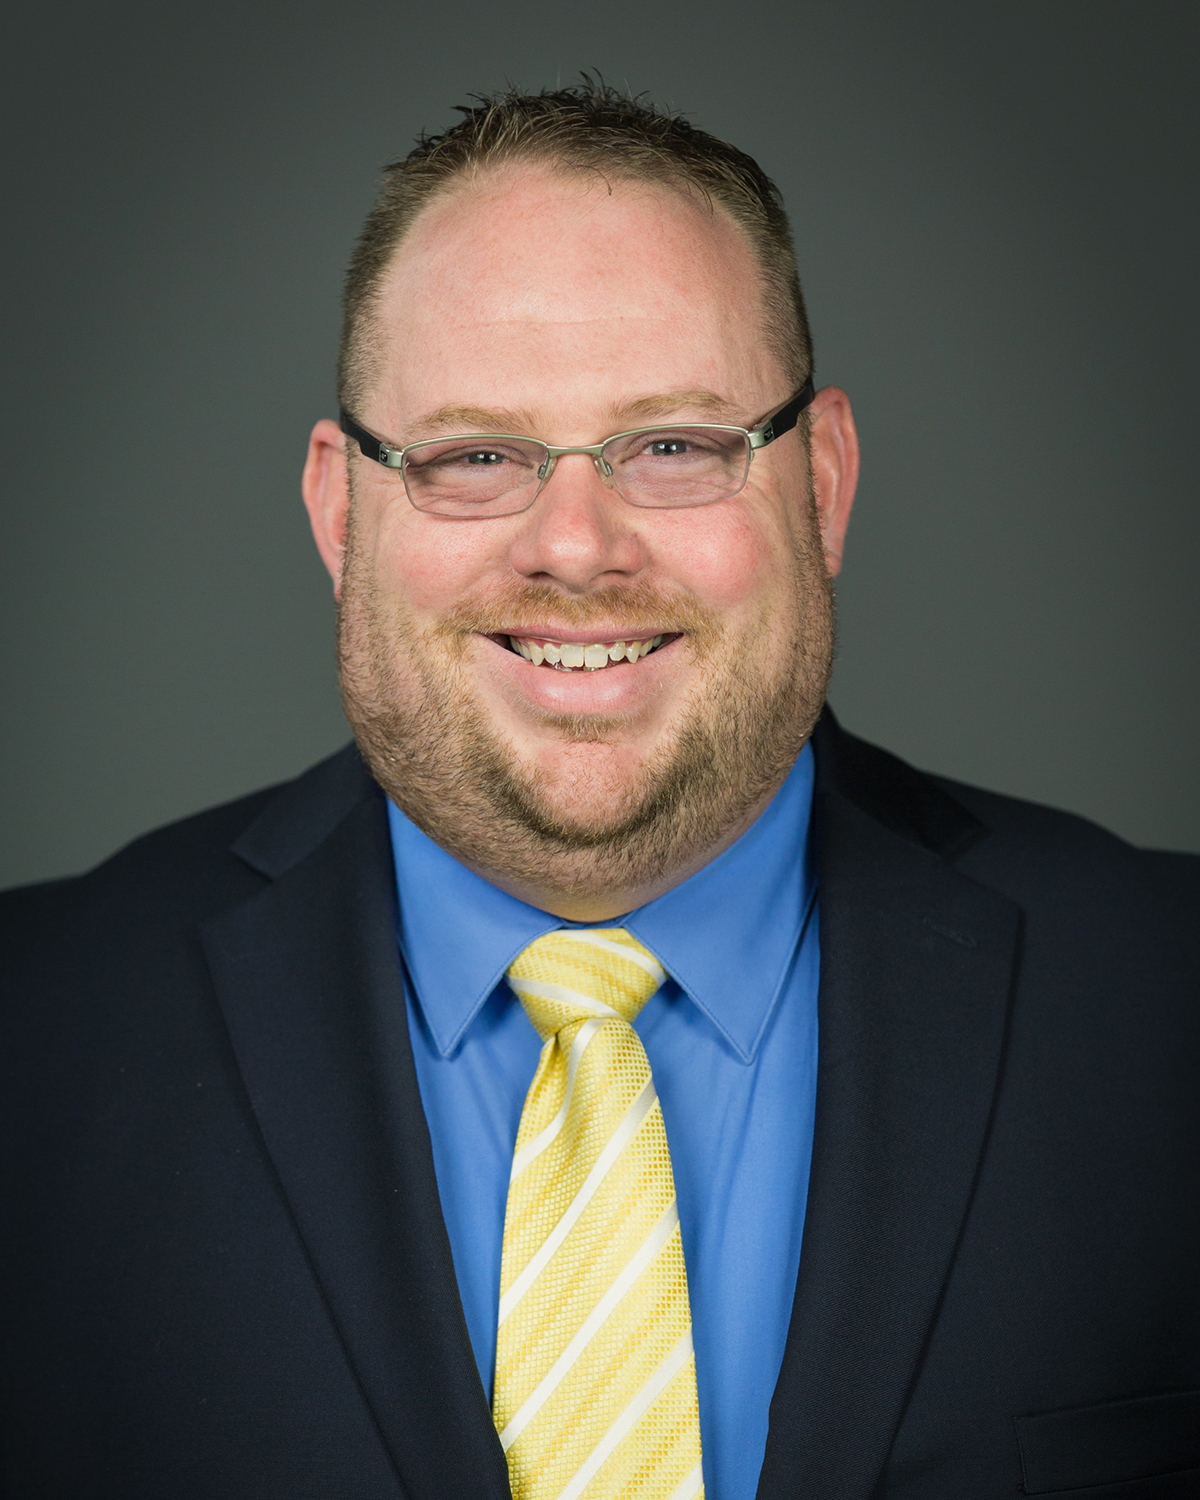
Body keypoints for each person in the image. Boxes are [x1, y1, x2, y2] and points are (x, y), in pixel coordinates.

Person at [2, 79, 1197, 1500]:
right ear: (339, 510)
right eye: (474, 456)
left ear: (822, 483)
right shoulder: (34, 1039)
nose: (575, 545)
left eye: (674, 446)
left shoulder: (1166, 1001)